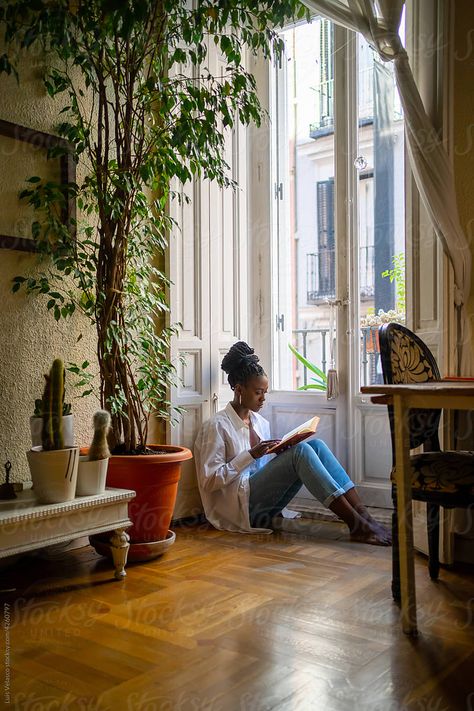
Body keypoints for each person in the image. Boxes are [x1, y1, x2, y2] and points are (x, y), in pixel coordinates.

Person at [194, 342, 392, 545]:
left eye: (265, 392)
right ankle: (356, 525)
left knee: (317, 446)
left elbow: (263, 472)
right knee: (301, 453)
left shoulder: (260, 423)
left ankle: (366, 520)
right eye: (257, 392)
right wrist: (250, 455)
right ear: (238, 389)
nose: (263, 399)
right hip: (239, 509)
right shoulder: (216, 426)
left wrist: (281, 453)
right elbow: (209, 481)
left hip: (263, 503)